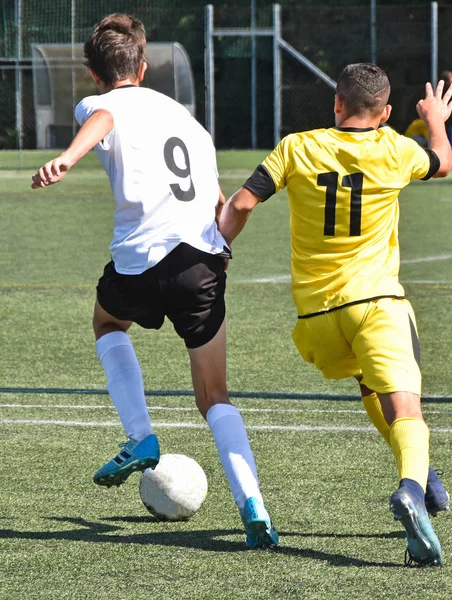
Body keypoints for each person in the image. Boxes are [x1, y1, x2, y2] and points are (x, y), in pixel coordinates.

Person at [30, 13, 278, 550]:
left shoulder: (101, 103)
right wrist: (222, 253)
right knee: (215, 396)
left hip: (142, 258)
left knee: (106, 322)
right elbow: (219, 205)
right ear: (143, 68)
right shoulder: (191, 123)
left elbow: (104, 121)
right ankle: (253, 504)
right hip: (201, 263)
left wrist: (68, 157)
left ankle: (141, 436)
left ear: (94, 74)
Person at [219, 63, 452, 566]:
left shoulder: (296, 147)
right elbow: (442, 161)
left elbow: (241, 204)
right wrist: (435, 116)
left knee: (370, 386)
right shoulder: (394, 148)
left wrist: (218, 247)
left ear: (336, 103)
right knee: (408, 409)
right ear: (386, 112)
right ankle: (413, 487)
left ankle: (424, 478)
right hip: (376, 307)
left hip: (316, 321)